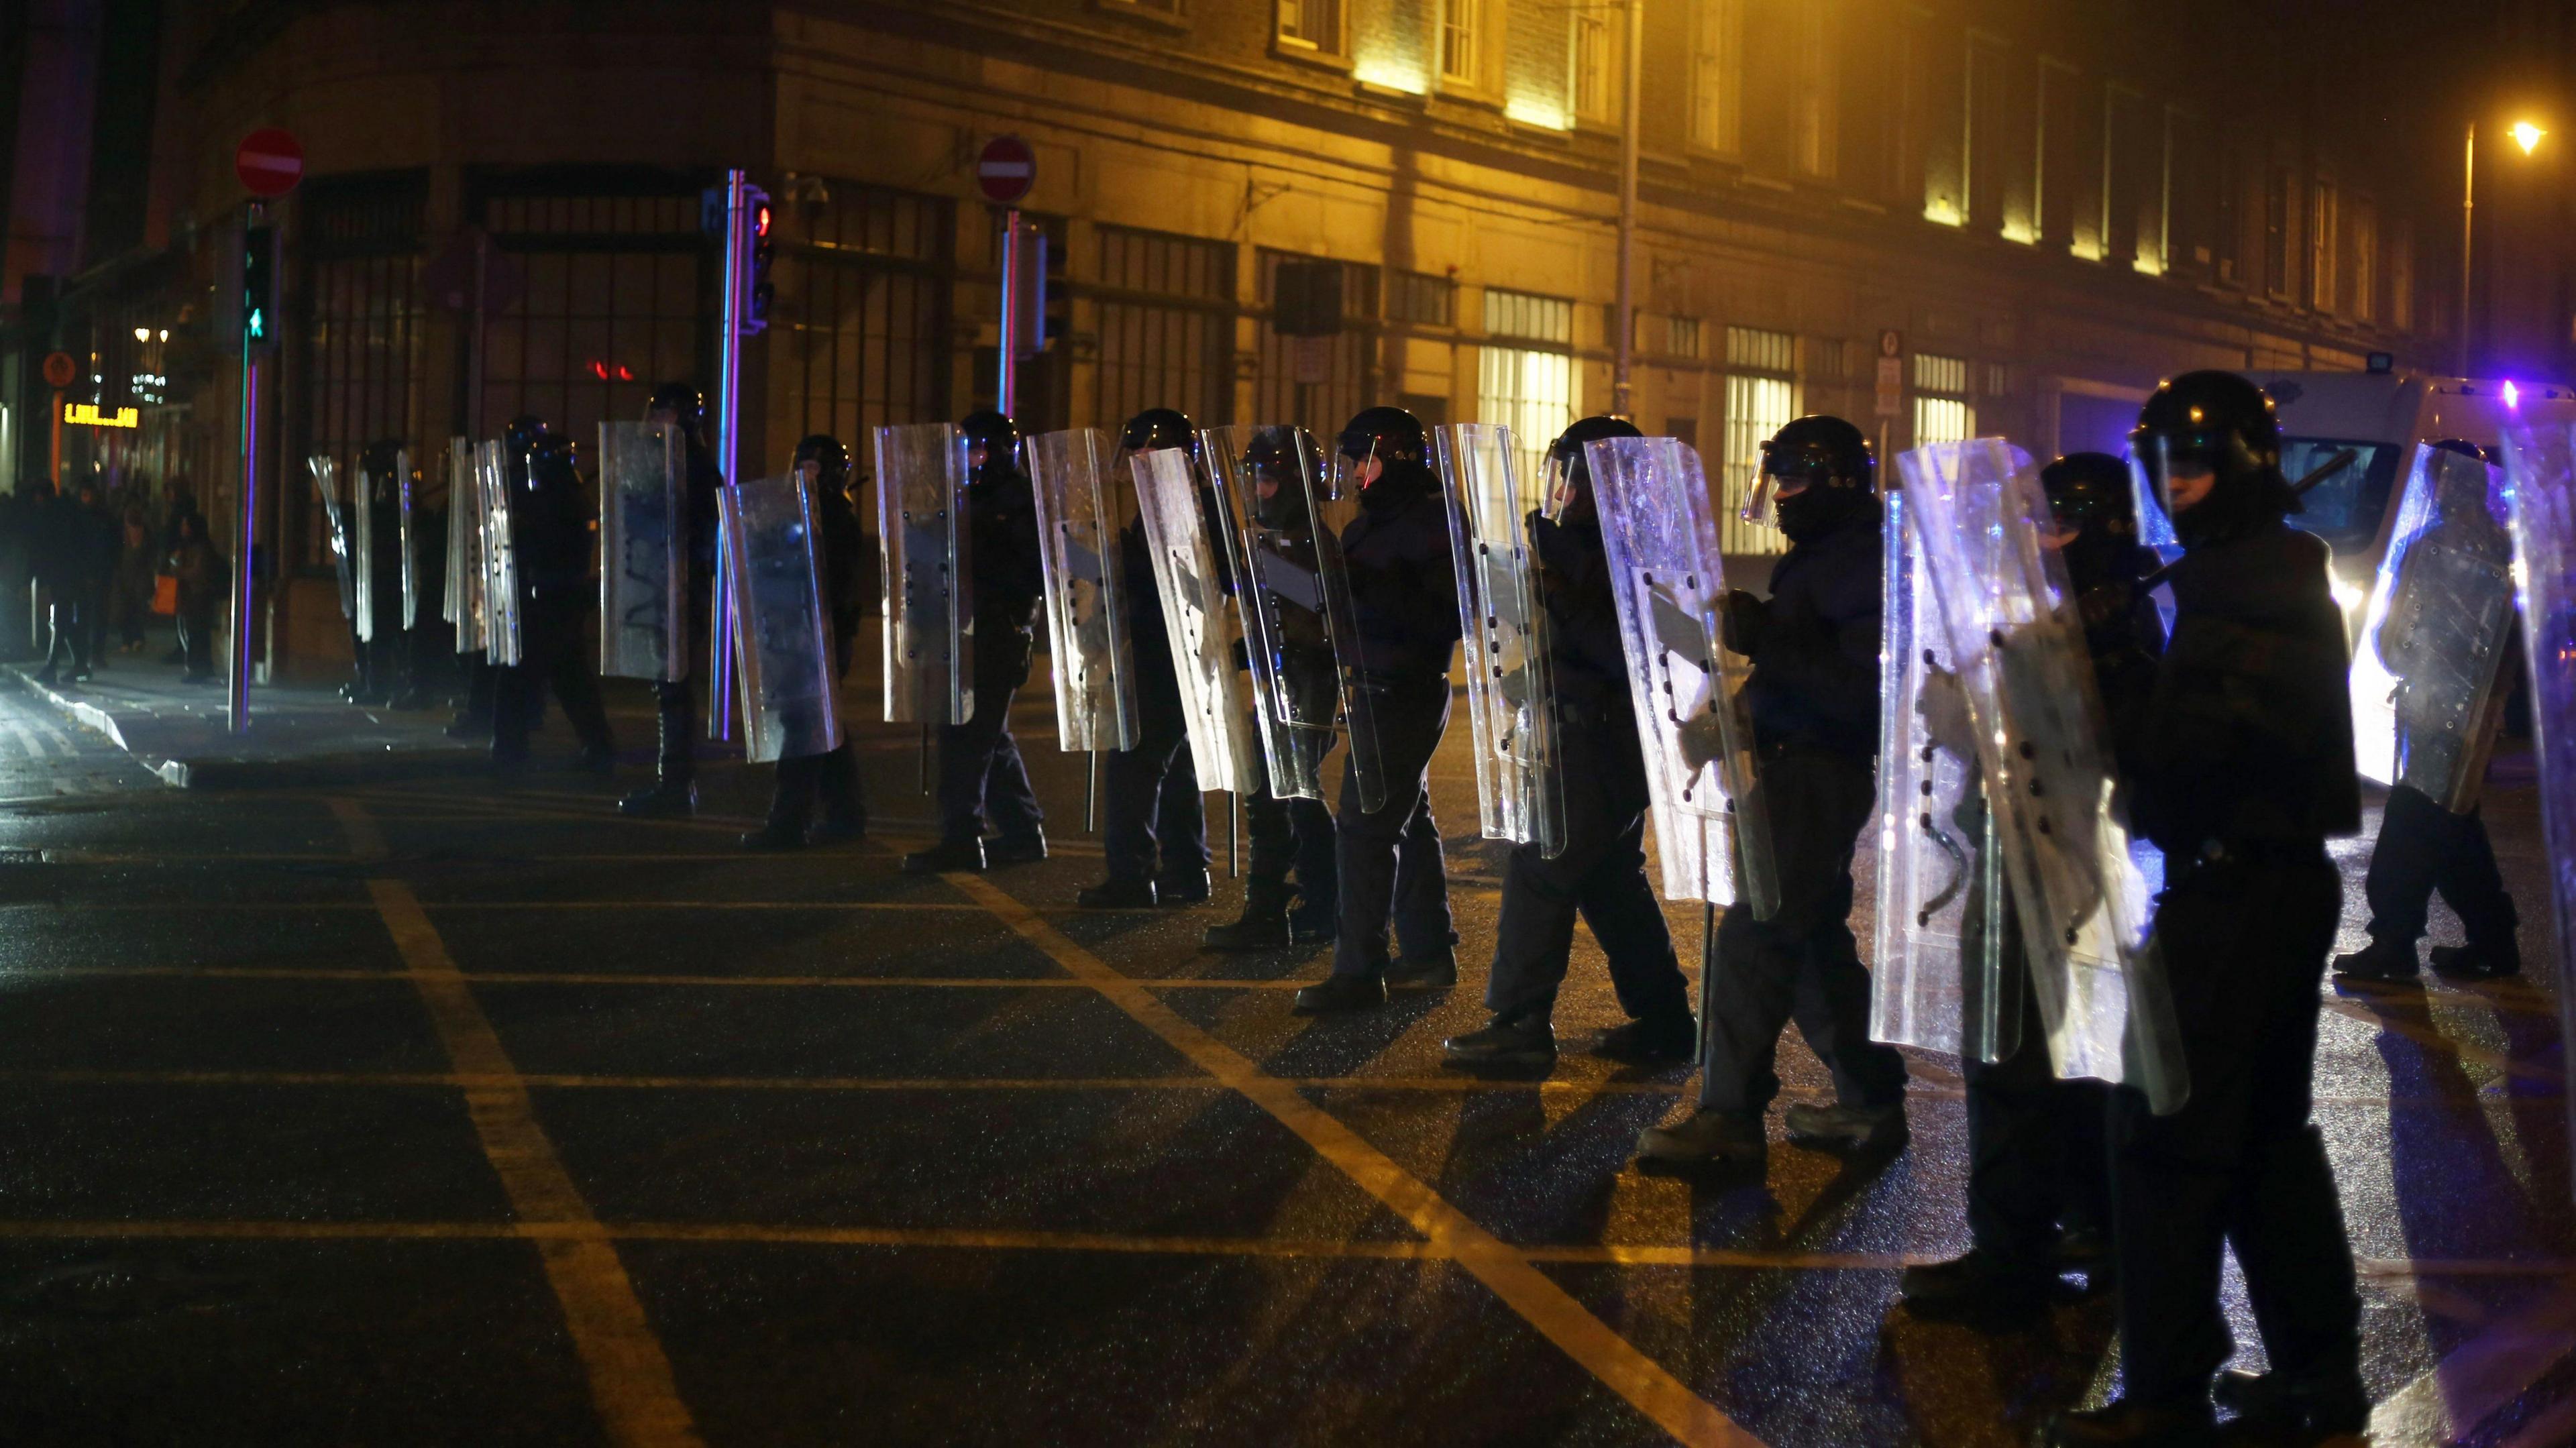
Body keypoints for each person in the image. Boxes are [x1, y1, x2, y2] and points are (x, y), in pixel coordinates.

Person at [2043, 372, 2367, 1448]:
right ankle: (2320, 1375)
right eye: (2165, 466)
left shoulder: (2250, 587)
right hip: (2265, 884)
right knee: (2267, 1139)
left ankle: (2168, 1394)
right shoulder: (2252, 571)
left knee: (2166, 1133)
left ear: (2244, 463)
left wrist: (2105, 678)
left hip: (2237, 888)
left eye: (2196, 464)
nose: (2178, 486)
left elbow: (2185, 758)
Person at [1897, 451, 2164, 1326]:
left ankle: (2014, 1257)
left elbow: (2097, 747)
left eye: (2058, 521)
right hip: (2031, 852)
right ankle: (2101, 1229)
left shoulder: (2118, 624)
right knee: (2059, 1061)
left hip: (2056, 862)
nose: (2038, 539)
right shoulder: (2066, 616)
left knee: (2014, 1057)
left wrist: (2025, 678)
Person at [1635, 414, 1911, 1163]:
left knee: (1756, 934)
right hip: (1793, 763)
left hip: (1818, 771)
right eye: (1776, 480)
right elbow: (1797, 671)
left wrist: (1769, 639)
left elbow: (1863, 691)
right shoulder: (1823, 555)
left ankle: (1728, 1117)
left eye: (1793, 479)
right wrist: (1728, 718)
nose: (1781, 495)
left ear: (1835, 479)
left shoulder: (1861, 561)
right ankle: (1870, 1098)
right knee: (1813, 941)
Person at [1440, 416, 1696, 1069]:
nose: (1564, 491)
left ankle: (1521, 1020)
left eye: (1574, 478)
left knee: (1541, 863)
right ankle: (1666, 1016)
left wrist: (1560, 591)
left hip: (1605, 737)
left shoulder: (1642, 550)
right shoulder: (1586, 545)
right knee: (1610, 881)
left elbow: (1627, 653)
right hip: (1586, 733)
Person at [2334, 441, 2522, 985]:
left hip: (2439, 707)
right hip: (2471, 711)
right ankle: (2493, 939)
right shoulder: (2505, 546)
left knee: (2413, 825)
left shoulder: (2434, 546)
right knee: (2452, 826)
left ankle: (2394, 940)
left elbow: (2398, 634)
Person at [1291, 406, 1460, 1013]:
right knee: (1406, 823)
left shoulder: (1434, 522)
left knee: (1364, 830)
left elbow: (1447, 616)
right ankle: (1428, 949)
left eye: (1362, 460)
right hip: (1369, 684)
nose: (1354, 472)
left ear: (1393, 459)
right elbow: (1342, 605)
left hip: (1407, 686)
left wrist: (1369, 589)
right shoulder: (1367, 525)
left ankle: (1359, 970)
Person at [1203, 427, 1338, 950]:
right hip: (1285, 684)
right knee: (1290, 796)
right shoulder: (1282, 540)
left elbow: (1312, 624)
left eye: (1265, 480)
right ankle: (1318, 902)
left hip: (1304, 688)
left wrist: (1268, 640)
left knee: (1281, 793)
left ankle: (1279, 908)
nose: (1257, 490)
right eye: (1253, 479)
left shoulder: (1306, 542)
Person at [1075, 408, 1212, 907]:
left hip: (1173, 653)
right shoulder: (1166, 500)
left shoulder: (1187, 506)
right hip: (1165, 651)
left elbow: (1185, 583)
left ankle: (1132, 875)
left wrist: (1114, 565)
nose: (1135, 461)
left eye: (1144, 452)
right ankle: (1185, 869)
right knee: (1174, 768)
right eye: (1132, 453)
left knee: (1133, 761)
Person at [902, 409, 1048, 873]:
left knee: (966, 737)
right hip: (963, 629)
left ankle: (962, 836)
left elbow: (1031, 573)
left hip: (997, 633)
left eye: (978, 450)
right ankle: (1024, 832)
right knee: (989, 736)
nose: (969, 459)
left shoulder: (1019, 499)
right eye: (964, 450)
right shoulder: (964, 496)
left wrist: (980, 555)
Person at [742, 435, 870, 849]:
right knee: (822, 722)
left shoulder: (836, 518)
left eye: (815, 468)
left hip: (820, 635)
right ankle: (846, 814)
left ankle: (788, 824)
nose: (806, 474)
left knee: (803, 725)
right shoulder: (798, 511)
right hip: (799, 630)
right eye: (802, 466)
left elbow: (831, 584)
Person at [621, 385, 726, 816]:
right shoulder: (670, 462)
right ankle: (675, 783)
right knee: (668, 686)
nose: (651, 421)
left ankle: (676, 785)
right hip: (663, 583)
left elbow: (689, 525)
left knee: (674, 688)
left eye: (660, 412)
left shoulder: (692, 465)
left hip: (680, 587)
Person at [492, 431, 614, 776]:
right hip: (563, 600)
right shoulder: (571, 498)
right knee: (571, 678)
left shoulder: (554, 503)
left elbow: (537, 548)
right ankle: (599, 747)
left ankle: (509, 751)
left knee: (520, 676)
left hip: (549, 599)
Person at [450, 416, 549, 741]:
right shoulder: (518, 482)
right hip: (508, 581)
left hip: (517, 583)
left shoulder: (529, 484)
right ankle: (508, 717)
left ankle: (493, 718)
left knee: (505, 659)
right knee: (502, 656)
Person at [353, 440, 410, 707]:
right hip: (378, 573)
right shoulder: (377, 495)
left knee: (388, 635)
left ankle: (384, 684)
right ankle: (374, 681)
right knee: (377, 634)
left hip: (389, 574)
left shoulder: (392, 490)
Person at [170, 510, 225, 683]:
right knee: (194, 632)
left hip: (199, 596)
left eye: (186, 525)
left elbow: (198, 572)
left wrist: (179, 570)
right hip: (190, 595)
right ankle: (202, 667)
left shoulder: (201, 547)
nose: (183, 528)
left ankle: (196, 668)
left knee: (196, 633)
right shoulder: (187, 546)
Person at [111, 505, 155, 653]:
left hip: (133, 577)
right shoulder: (139, 535)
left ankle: (132, 639)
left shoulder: (130, 535)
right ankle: (133, 639)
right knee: (130, 609)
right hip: (129, 577)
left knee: (133, 609)